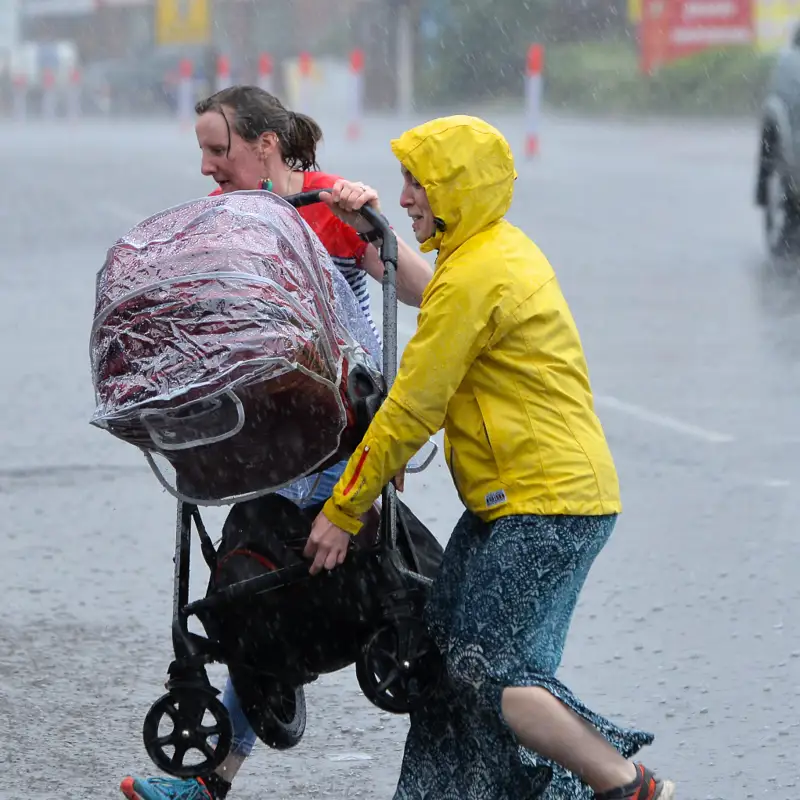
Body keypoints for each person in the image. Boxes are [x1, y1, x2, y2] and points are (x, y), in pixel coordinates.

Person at [304, 115, 676, 800]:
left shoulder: (473, 278)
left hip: (546, 505)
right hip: (522, 501)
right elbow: (418, 287)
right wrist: (372, 229)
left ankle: (626, 785)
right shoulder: (488, 251)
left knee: (493, 670)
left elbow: (413, 408)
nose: (408, 196)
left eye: (419, 184)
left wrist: (343, 507)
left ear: (456, 189)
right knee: (447, 654)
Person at [119, 86, 432, 800]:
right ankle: (214, 771)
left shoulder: (325, 207)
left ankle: (210, 780)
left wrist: (374, 223)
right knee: (256, 591)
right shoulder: (226, 223)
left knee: (275, 590)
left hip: (341, 440)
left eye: (217, 149)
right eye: (200, 150)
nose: (206, 165)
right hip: (273, 441)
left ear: (265, 146)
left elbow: (420, 290)